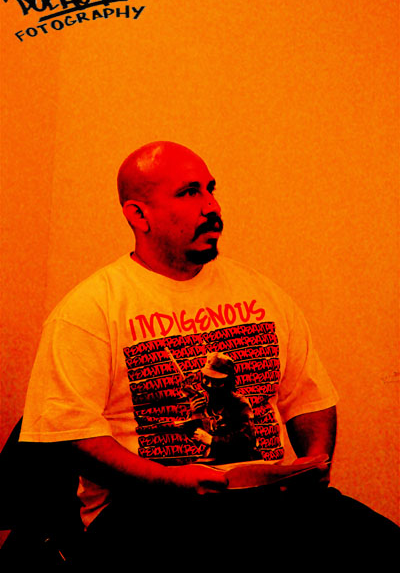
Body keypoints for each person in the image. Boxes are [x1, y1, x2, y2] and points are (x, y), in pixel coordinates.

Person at [19, 141, 399, 566]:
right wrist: (168, 479)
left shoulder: (262, 294)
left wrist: (314, 461)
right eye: (189, 192)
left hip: (266, 503)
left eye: (210, 189)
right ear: (139, 215)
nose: (211, 206)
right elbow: (70, 435)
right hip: (146, 513)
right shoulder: (90, 310)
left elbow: (309, 399)